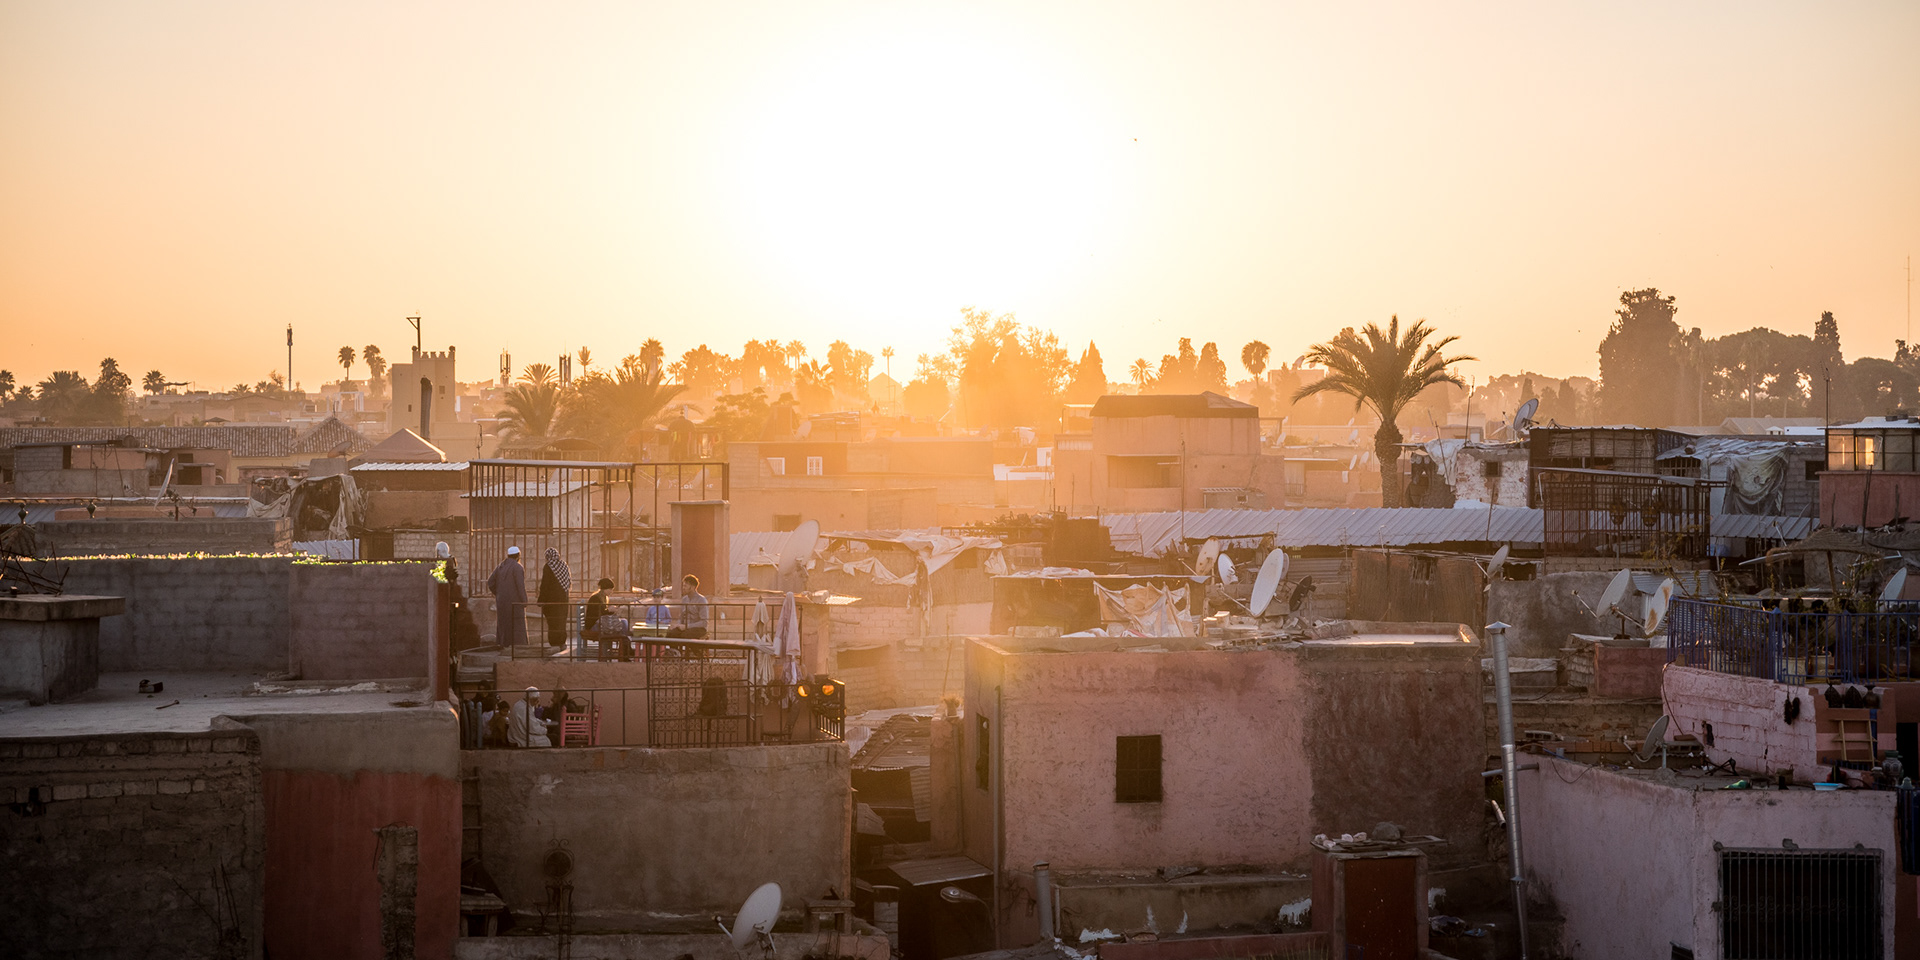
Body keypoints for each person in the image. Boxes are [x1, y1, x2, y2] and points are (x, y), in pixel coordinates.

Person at [486, 546, 529, 647]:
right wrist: (524, 600)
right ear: (518, 555)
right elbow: (520, 586)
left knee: (504, 624)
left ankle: (503, 644)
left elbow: (490, 582)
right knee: (517, 625)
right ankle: (518, 647)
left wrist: (499, 593)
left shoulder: (500, 566)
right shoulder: (518, 567)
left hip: (501, 601)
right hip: (515, 602)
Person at [538, 548, 572, 649]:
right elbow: (568, 582)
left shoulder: (548, 567)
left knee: (552, 622)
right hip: (564, 599)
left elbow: (545, 585)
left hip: (552, 601)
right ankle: (562, 642)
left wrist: (541, 600)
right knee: (561, 621)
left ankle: (554, 643)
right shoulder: (564, 565)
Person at [667, 573, 708, 639]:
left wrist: (687, 626)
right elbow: (681, 617)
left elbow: (704, 622)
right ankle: (674, 649)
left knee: (686, 635)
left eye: (685, 586)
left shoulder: (701, 600)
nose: (683, 588)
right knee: (670, 634)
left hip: (698, 629)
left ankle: (693, 649)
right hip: (685, 627)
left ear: (692, 587)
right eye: (683, 586)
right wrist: (678, 625)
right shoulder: (684, 599)